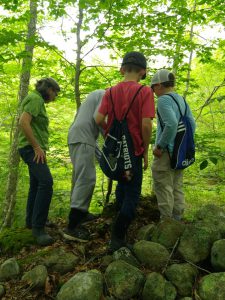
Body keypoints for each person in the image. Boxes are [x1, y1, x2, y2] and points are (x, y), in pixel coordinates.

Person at [95, 51, 155, 251]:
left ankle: (116, 227)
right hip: (133, 153)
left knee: (122, 184)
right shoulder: (144, 92)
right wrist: (145, 150)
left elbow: (98, 119)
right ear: (143, 72)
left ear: (122, 69)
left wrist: (110, 135)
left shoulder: (110, 92)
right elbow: (146, 125)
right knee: (132, 194)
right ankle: (117, 237)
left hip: (115, 154)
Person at [18, 77, 60, 246]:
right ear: (48, 88)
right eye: (54, 92)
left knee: (36, 185)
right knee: (46, 183)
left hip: (33, 149)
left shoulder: (36, 100)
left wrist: (39, 148)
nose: (55, 96)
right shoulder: (35, 99)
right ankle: (38, 229)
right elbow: (23, 122)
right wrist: (36, 147)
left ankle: (31, 221)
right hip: (30, 149)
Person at [151, 69, 196, 221]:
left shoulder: (163, 100)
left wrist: (160, 146)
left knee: (163, 185)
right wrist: (182, 145)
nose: (153, 92)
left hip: (166, 153)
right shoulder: (181, 100)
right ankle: (178, 218)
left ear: (159, 85)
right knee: (177, 185)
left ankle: (166, 222)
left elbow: (171, 124)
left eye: (153, 88)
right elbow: (192, 124)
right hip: (179, 152)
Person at [63, 89, 106, 242]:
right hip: (83, 137)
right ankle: (73, 226)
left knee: (79, 176)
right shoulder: (105, 95)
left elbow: (95, 120)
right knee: (86, 178)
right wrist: (110, 137)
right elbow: (99, 119)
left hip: (78, 136)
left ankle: (81, 213)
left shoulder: (94, 95)